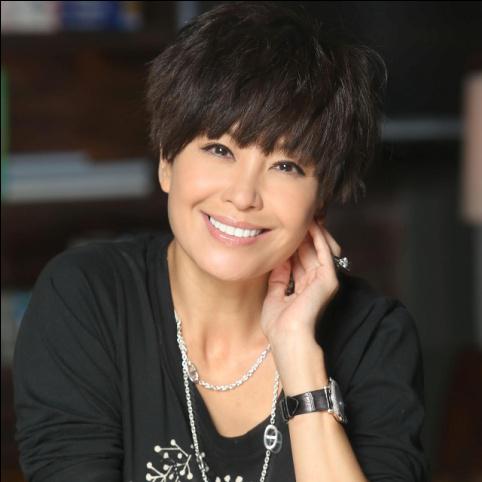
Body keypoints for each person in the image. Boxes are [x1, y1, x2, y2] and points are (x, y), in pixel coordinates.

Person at [13, 2, 427, 481]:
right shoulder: (88, 298)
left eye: (286, 166)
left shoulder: (375, 337)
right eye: (219, 149)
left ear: (321, 200)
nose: (243, 195)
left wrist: (298, 356)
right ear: (167, 162)